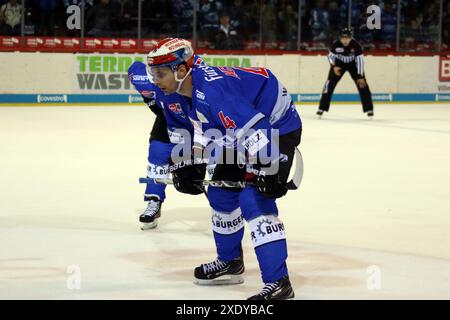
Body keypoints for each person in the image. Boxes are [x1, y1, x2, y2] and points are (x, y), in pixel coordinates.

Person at [147, 38, 302, 300]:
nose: (155, 81)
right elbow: (199, 131)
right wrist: (189, 164)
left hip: (275, 126)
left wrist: (271, 166)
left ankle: (279, 283)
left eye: (159, 74)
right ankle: (230, 262)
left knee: (255, 198)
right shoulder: (176, 91)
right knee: (221, 192)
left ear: (180, 71)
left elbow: (253, 129)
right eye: (153, 74)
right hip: (238, 129)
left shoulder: (213, 91)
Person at [128, 59, 195, 229]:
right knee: (157, 151)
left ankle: (228, 201)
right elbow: (156, 107)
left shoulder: (185, 81)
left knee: (218, 156)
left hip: (197, 123)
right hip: (169, 121)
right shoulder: (148, 84)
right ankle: (153, 201)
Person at [317, 27, 374, 118]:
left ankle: (369, 109)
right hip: (338, 65)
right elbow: (330, 57)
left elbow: (360, 61)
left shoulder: (356, 45)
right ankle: (322, 108)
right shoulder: (336, 44)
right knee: (329, 85)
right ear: (340, 38)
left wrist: (360, 76)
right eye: (343, 38)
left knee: (363, 84)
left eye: (347, 38)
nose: (345, 40)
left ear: (351, 37)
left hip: (353, 65)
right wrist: (334, 67)